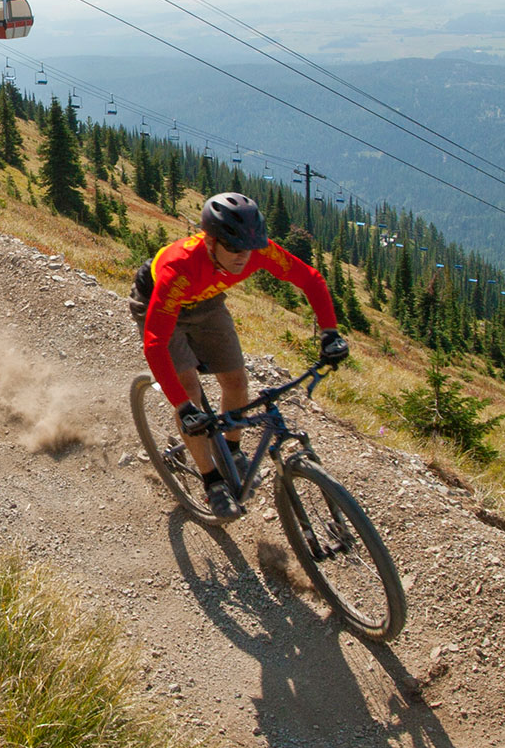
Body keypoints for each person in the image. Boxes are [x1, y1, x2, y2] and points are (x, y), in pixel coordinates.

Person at [131, 191, 348, 516]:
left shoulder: (257, 250)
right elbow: (155, 343)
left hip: (207, 302)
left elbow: (310, 279)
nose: (242, 257)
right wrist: (183, 405)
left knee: (236, 381)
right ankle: (213, 481)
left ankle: (231, 452)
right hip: (160, 302)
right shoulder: (180, 268)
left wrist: (330, 332)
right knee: (189, 389)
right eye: (232, 247)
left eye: (248, 247)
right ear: (209, 241)